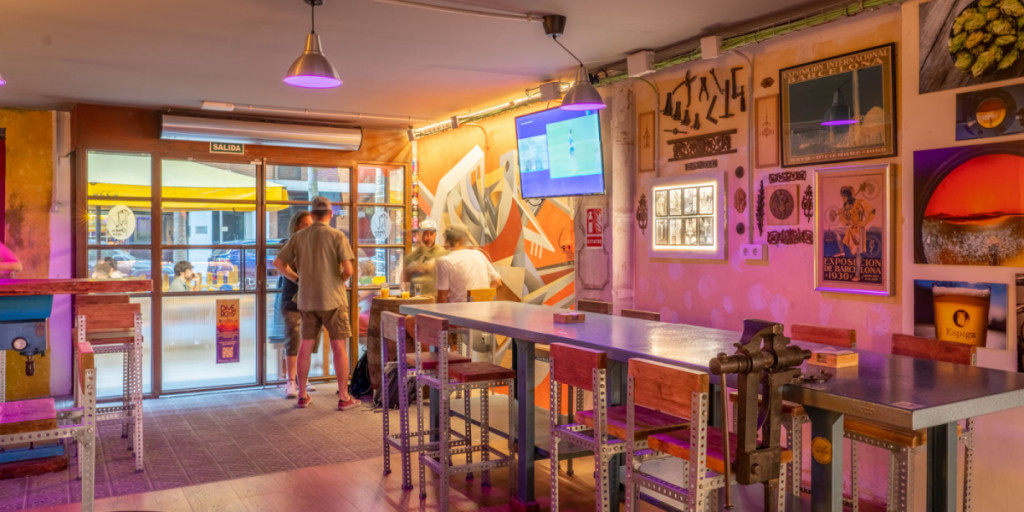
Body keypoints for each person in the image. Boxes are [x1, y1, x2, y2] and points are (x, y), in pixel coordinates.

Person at [273, 196, 358, 411]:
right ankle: (344, 397)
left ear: (312, 214)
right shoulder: (337, 236)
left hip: (307, 299)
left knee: (305, 344)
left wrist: (298, 279)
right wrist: (338, 280)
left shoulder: (299, 237)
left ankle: (302, 395)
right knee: (338, 345)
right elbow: (349, 270)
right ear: (330, 214)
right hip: (333, 299)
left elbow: (279, 263)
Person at [277, 210, 315, 399]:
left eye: (311, 225)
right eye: (306, 225)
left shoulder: (314, 246)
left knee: (306, 340)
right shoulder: (290, 244)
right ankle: (290, 381)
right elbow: (279, 265)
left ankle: (302, 378)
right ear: (296, 226)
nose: (309, 228)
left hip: (310, 300)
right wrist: (298, 279)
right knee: (293, 339)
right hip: (291, 299)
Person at [435, 225, 501, 304]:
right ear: (464, 240)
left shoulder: (445, 261)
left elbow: (442, 298)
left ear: (447, 241)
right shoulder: (479, 254)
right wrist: (483, 296)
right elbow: (497, 282)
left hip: (458, 310)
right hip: (484, 309)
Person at [401, 218, 447, 296]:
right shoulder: (411, 257)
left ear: (436, 234)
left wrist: (433, 266)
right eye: (425, 234)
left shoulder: (443, 254)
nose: (428, 238)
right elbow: (404, 282)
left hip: (435, 300)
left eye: (431, 234)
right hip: (415, 300)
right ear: (419, 234)